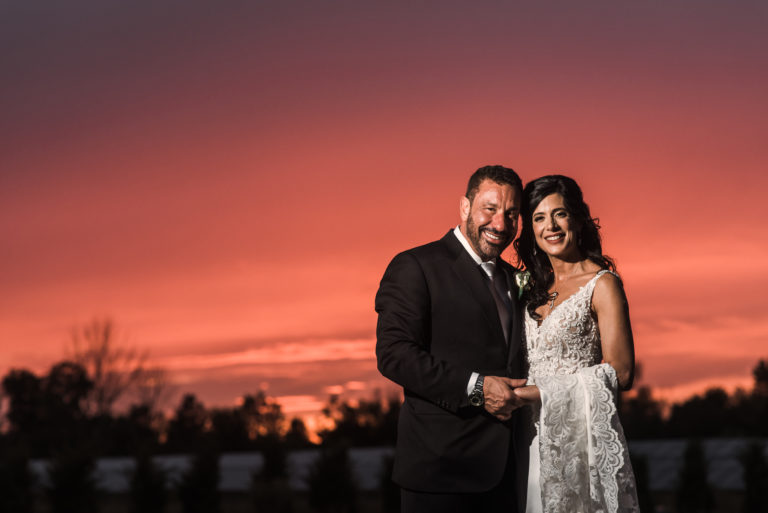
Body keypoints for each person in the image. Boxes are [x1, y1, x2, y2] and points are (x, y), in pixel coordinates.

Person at [375, 165, 530, 513]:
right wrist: (477, 388)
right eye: (490, 209)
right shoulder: (416, 266)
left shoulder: (515, 278)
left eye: (511, 213)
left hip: (509, 473)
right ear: (464, 207)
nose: (501, 224)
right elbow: (393, 353)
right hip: (441, 473)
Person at [512, 175, 640, 513]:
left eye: (560, 214)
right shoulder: (530, 289)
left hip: (576, 447)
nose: (550, 226)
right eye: (539, 218)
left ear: (578, 219)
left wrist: (539, 392)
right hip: (525, 443)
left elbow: (623, 372)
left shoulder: (602, 284)